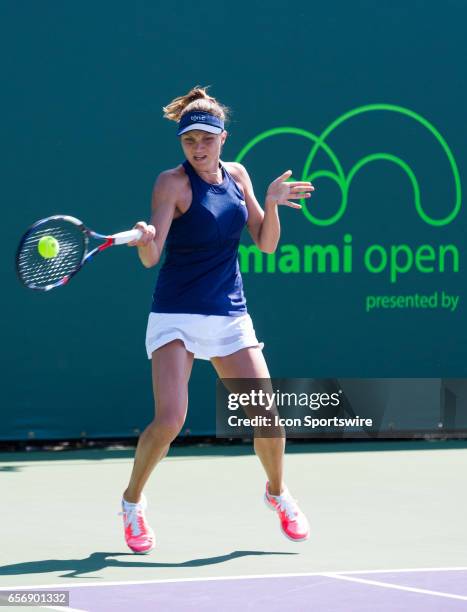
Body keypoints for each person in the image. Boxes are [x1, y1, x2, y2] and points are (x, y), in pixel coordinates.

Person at [119, 86, 314, 553]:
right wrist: (145, 237)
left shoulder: (239, 175)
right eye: (190, 141)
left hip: (228, 313)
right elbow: (153, 257)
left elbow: (265, 243)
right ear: (182, 144)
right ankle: (131, 503)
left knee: (268, 421)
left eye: (207, 138)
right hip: (176, 313)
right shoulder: (171, 183)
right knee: (169, 419)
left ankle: (276, 493)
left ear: (223, 137)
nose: (199, 147)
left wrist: (269, 202)